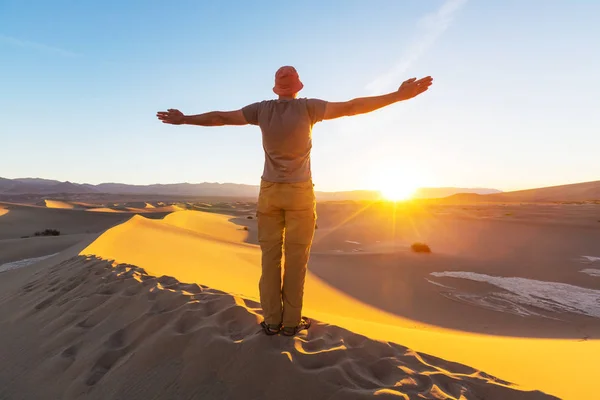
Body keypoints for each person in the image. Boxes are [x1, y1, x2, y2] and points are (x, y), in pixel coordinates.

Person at [157, 66, 433, 336]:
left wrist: (185, 119)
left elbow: (219, 117)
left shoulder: (261, 110)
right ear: (299, 86)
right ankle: (291, 324)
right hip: (300, 192)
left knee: (270, 259)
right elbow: (352, 106)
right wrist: (397, 96)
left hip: (270, 192)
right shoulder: (310, 108)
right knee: (297, 260)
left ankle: (271, 322)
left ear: (276, 88)